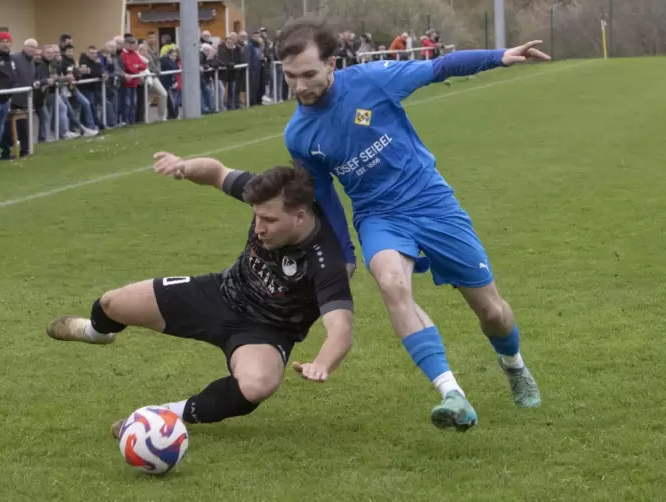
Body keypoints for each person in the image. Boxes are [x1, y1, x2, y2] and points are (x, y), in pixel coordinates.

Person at [278, 17, 548, 432]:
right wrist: (345, 254)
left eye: (309, 74)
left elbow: (438, 68)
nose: (299, 86)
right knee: (390, 282)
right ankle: (451, 394)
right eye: (290, 76)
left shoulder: (371, 80)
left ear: (332, 64)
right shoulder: (298, 134)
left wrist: (499, 57)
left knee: (491, 310)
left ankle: (513, 365)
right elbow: (325, 198)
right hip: (378, 215)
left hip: (431, 201)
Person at [45, 154, 354, 437]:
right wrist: (184, 166)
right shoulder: (267, 194)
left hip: (265, 331)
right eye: (256, 216)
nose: (259, 227)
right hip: (219, 293)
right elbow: (217, 172)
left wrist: (323, 363)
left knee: (258, 384)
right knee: (112, 303)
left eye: (269, 221)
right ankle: (95, 333)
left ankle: (164, 416)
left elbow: (340, 330)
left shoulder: (326, 260)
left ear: (300, 217)